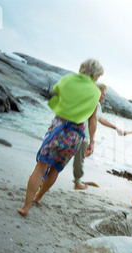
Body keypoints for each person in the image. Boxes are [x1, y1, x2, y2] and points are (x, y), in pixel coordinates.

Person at [17, 58, 104, 216]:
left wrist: (64, 107)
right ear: (95, 74)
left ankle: (26, 207)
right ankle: (38, 197)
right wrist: (92, 141)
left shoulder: (67, 79)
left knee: (41, 167)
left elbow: (56, 93)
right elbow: (92, 119)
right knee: (55, 168)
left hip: (57, 129)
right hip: (75, 136)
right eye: (98, 76)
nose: (98, 79)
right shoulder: (96, 92)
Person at [73, 83, 125, 189]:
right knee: (75, 159)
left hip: (86, 136)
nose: (104, 97)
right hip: (79, 135)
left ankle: (77, 181)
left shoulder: (98, 105)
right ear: (97, 91)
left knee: (78, 159)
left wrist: (116, 127)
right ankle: (77, 182)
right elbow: (91, 120)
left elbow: (100, 119)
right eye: (103, 94)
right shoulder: (88, 101)